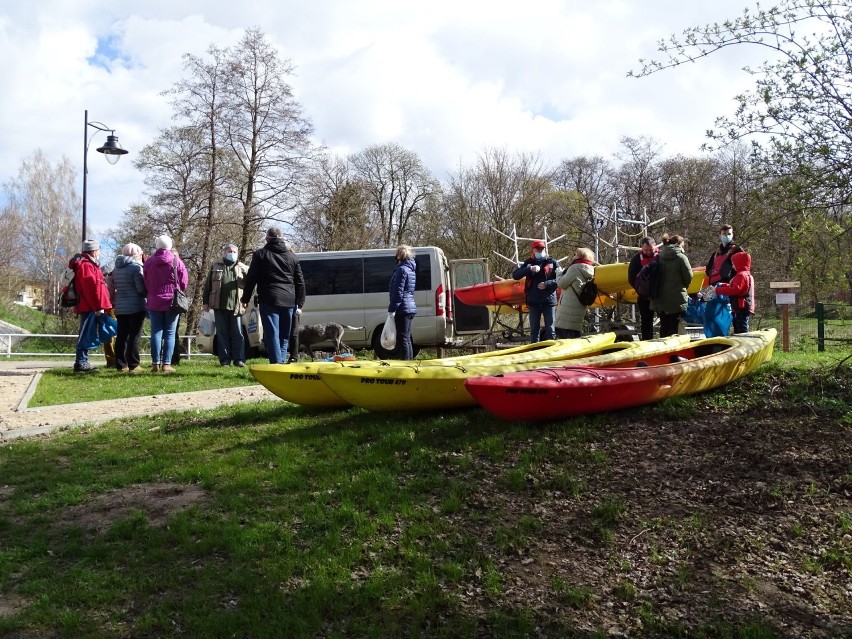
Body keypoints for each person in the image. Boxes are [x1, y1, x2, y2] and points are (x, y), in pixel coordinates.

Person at [240, 227, 305, 364]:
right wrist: (299, 303)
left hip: (269, 299)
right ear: (282, 238)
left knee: (272, 334)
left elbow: (252, 278)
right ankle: (280, 362)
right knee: (284, 335)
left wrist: (245, 298)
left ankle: (277, 364)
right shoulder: (292, 257)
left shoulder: (260, 255)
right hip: (289, 300)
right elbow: (300, 282)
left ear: (267, 238)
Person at [144, 235, 188, 373]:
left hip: (154, 301)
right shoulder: (176, 261)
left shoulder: (149, 262)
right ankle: (166, 364)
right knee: (170, 333)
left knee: (156, 332)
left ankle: (155, 364)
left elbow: (146, 281)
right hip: (171, 302)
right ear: (170, 246)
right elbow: (184, 282)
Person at [203, 243, 249, 367]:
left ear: (237, 254)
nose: (231, 254)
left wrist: (247, 300)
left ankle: (239, 359)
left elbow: (249, 285)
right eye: (229, 251)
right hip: (219, 306)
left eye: (234, 252)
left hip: (237, 307)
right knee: (222, 334)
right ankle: (225, 360)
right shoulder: (215, 266)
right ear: (224, 253)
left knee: (238, 334)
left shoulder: (241, 267)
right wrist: (205, 303)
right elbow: (207, 286)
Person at [71, 239, 113, 373]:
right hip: (89, 306)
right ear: (94, 251)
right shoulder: (86, 266)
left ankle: (82, 362)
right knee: (86, 334)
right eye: (98, 250)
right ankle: (81, 363)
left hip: (89, 305)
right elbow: (90, 289)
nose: (99, 252)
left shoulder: (89, 264)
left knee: (87, 333)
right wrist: (97, 307)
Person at [108, 243, 147, 372]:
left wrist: (113, 301)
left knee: (121, 336)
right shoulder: (136, 268)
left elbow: (111, 289)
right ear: (137, 255)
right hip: (136, 306)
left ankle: (121, 364)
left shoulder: (116, 269)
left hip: (120, 307)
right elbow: (140, 289)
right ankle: (134, 364)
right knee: (134, 336)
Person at [512, 240, 559, 343]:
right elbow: (515, 275)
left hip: (549, 301)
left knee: (551, 330)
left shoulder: (552, 262)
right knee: (534, 331)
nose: (540, 250)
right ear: (533, 249)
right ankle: (535, 353)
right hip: (533, 302)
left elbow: (560, 279)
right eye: (537, 248)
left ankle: (551, 352)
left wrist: (547, 284)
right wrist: (529, 269)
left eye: (542, 248)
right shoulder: (529, 262)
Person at [650, 234, 693, 338]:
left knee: (664, 326)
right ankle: (674, 351)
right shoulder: (681, 257)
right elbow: (689, 276)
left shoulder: (659, 257)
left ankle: (663, 349)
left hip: (660, 298)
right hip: (676, 297)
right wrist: (682, 287)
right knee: (674, 327)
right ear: (679, 245)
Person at [555, 247, 596, 339]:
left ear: (579, 257)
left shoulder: (575, 268)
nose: (573, 257)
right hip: (579, 308)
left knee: (564, 336)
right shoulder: (590, 269)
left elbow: (561, 283)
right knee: (574, 335)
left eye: (575, 255)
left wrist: (558, 274)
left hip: (567, 309)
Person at [387, 244, 417, 360]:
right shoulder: (410, 269)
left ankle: (405, 363)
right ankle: (409, 362)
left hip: (402, 308)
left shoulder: (401, 270)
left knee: (402, 338)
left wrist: (392, 309)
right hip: (410, 306)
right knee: (407, 337)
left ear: (399, 255)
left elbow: (397, 292)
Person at [713, 251, 755, 333]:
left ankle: (744, 343)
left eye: (734, 263)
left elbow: (734, 290)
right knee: (740, 325)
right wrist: (723, 285)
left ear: (739, 263)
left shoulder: (741, 275)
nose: (732, 265)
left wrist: (717, 290)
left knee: (742, 328)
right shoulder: (745, 274)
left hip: (741, 306)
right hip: (742, 306)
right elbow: (736, 287)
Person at [627, 236, 659, 340]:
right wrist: (640, 290)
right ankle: (647, 341)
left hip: (659, 294)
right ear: (642, 248)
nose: (648, 252)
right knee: (646, 322)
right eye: (646, 250)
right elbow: (631, 278)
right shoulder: (636, 259)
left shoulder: (660, 256)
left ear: (655, 246)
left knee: (665, 319)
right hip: (644, 296)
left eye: (651, 250)